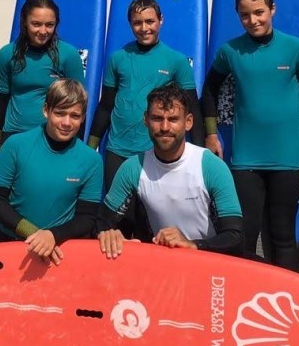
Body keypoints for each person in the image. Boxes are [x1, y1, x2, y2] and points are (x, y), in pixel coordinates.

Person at [200, 0, 299, 270]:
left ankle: (285, 300)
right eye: (245, 15)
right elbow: (208, 92)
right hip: (246, 161)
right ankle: (243, 299)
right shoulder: (230, 51)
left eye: (259, 12)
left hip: (288, 159)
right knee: (244, 235)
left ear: (272, 9)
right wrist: (210, 133)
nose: (253, 20)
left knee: (282, 235)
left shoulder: (296, 49)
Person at [97, 83, 242, 258]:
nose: (165, 127)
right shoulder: (133, 168)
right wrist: (108, 234)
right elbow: (101, 223)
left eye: (173, 119)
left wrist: (192, 245)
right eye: (157, 118)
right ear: (146, 120)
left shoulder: (211, 166)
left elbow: (234, 236)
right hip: (163, 266)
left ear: (188, 122)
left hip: (208, 263)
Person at [88, 0, 204, 196]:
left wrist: (200, 155)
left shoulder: (177, 61)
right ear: (130, 24)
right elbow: (106, 106)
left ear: (161, 20)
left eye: (150, 21)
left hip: (156, 152)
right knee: (117, 218)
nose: (144, 28)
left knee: (150, 216)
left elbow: (192, 108)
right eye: (137, 23)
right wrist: (90, 149)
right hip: (117, 151)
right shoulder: (117, 58)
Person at [0, 78, 102, 265]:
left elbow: (87, 217)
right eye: (60, 113)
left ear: (83, 117)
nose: (66, 122)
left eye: (75, 116)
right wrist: (33, 233)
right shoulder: (16, 145)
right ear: (46, 110)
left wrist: (53, 236)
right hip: (12, 245)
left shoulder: (92, 160)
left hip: (60, 251)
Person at [0, 0, 85, 159]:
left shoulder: (69, 55)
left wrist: (78, 146)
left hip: (54, 136)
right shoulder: (6, 54)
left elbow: (80, 105)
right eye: (36, 24)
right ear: (24, 23)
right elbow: (2, 99)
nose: (43, 31)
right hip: (14, 135)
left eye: (49, 25)